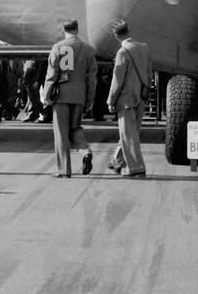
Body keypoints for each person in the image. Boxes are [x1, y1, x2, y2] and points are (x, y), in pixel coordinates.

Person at [43, 18, 98, 177]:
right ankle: (85, 151)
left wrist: (47, 95)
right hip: (79, 95)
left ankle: (64, 170)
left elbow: (51, 75)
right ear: (77, 29)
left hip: (60, 96)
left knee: (61, 133)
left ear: (63, 30)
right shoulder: (88, 49)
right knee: (75, 128)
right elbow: (92, 78)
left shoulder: (57, 47)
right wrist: (89, 99)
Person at [106, 20, 152, 177]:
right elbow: (149, 72)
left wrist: (111, 100)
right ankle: (116, 162)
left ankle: (137, 168)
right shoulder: (144, 48)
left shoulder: (122, 52)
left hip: (126, 100)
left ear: (116, 36)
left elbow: (117, 79)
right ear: (128, 31)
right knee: (131, 133)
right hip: (141, 96)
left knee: (128, 134)